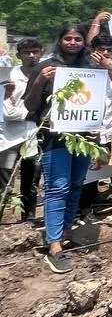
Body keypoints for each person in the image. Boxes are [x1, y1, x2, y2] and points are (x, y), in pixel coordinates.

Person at [24, 24, 112, 273]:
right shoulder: (45, 67)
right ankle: (54, 244)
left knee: (77, 184)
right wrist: (40, 81)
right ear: (60, 41)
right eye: (67, 38)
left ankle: (66, 233)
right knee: (58, 188)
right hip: (55, 139)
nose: (73, 42)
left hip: (84, 140)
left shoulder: (90, 68)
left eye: (77, 38)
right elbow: (30, 106)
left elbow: (99, 101)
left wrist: (95, 125)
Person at [77, 33, 112, 224]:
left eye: (109, 51)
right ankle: (86, 209)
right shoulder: (84, 69)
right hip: (89, 128)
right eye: (101, 50)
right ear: (93, 51)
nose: (105, 54)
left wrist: (110, 69)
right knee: (91, 170)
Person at [0, 37, 42, 222]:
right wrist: (32, 114)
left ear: (40, 53)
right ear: (19, 55)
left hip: (33, 134)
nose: (31, 56)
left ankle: (29, 217)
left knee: (31, 178)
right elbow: (8, 113)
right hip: (9, 136)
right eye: (27, 52)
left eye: (35, 52)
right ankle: (4, 215)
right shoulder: (9, 77)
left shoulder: (46, 75)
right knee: (4, 177)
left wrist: (27, 113)